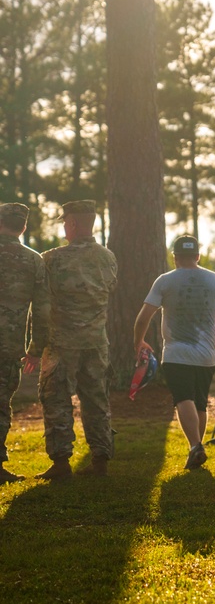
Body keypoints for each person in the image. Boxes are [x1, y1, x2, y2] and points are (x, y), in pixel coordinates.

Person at [134, 235, 215, 471]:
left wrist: (138, 342)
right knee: (199, 403)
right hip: (207, 354)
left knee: (183, 399)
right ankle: (195, 449)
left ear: (175, 258)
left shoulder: (165, 281)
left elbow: (144, 316)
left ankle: (196, 446)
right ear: (197, 256)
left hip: (176, 353)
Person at [29, 200, 117, 479]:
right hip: (96, 343)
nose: (65, 227)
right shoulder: (108, 257)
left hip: (61, 344)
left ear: (74, 224)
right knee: (96, 401)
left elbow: (41, 306)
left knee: (56, 401)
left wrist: (35, 346)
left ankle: (61, 462)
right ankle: (100, 458)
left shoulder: (52, 259)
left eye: (66, 222)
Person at [0, 203, 49, 483]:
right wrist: (36, 349)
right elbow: (42, 310)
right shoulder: (33, 260)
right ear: (24, 227)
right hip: (9, 349)